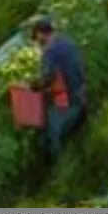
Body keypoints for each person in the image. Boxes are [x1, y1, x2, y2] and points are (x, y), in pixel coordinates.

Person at [29, 17, 88, 159]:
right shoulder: (66, 41)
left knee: (51, 130)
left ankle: (60, 165)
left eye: (37, 38)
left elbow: (48, 78)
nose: (37, 42)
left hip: (69, 97)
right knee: (78, 129)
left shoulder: (49, 53)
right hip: (81, 90)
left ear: (41, 34)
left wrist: (32, 86)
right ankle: (81, 147)